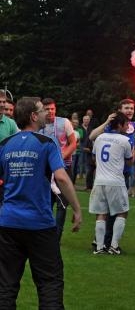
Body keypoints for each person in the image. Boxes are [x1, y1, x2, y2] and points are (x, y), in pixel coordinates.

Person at [0, 97, 82, 309]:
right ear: (33, 116)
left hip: (8, 223)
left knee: (6, 286)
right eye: (41, 110)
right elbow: (62, 178)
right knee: (49, 283)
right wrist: (77, 208)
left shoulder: (5, 145)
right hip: (40, 224)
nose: (47, 113)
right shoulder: (47, 143)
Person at [89, 112, 133, 254]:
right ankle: (114, 246)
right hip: (116, 181)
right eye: (126, 124)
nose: (128, 126)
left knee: (101, 213)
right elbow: (129, 161)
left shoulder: (99, 138)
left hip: (99, 180)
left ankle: (99, 247)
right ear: (120, 125)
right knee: (122, 212)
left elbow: (94, 158)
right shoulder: (124, 140)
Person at [37, 97, 77, 243]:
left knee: (62, 204)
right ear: (42, 110)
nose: (50, 111)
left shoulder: (64, 122)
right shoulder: (38, 125)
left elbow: (73, 143)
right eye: (47, 109)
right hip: (45, 170)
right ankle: (45, 232)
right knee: (46, 203)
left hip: (64, 167)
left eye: (52, 108)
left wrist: (60, 158)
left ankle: (56, 237)